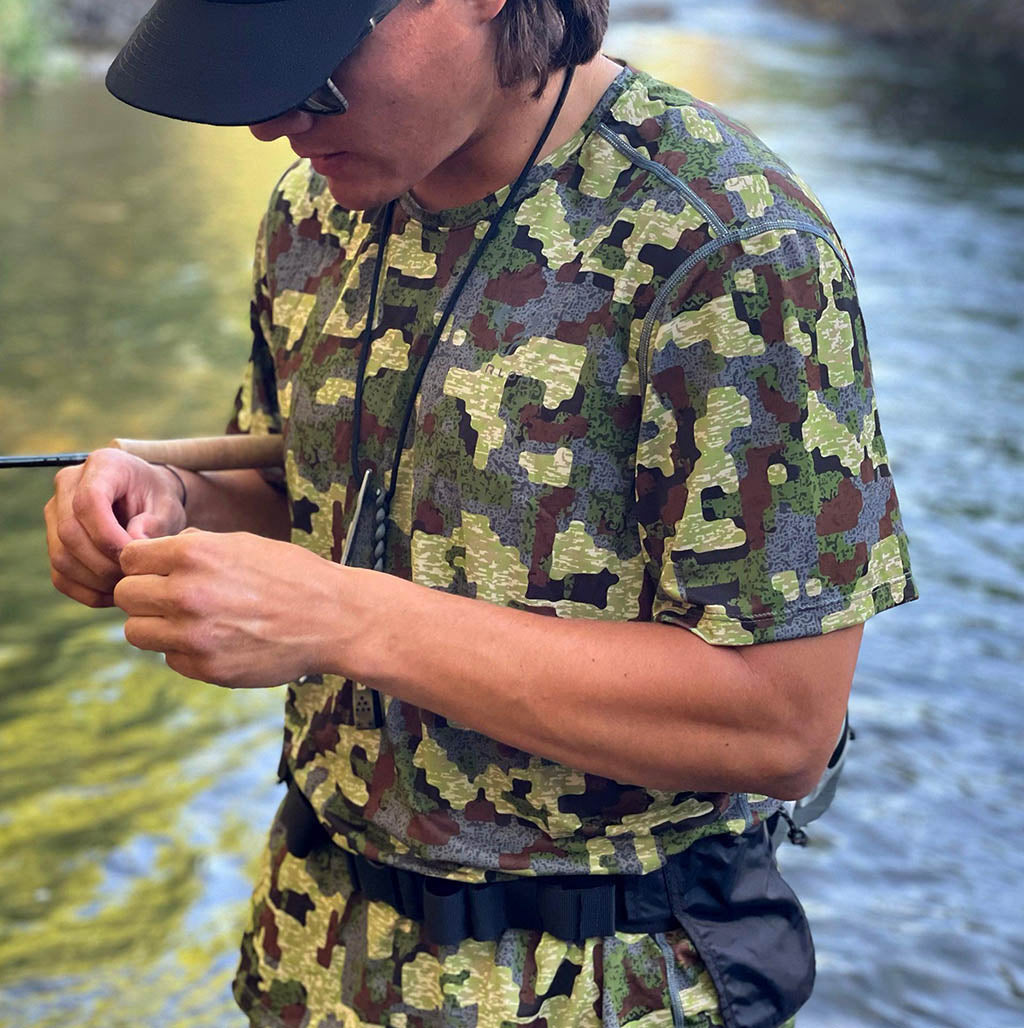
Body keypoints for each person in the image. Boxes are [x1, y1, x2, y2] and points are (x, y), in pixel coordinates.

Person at [44, 0, 918, 1025]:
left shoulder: (734, 251)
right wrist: (178, 509)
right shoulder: (312, 212)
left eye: (315, 73)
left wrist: (347, 619)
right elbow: (307, 501)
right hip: (308, 954)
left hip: (606, 982)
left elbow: (782, 723)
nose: (274, 123)